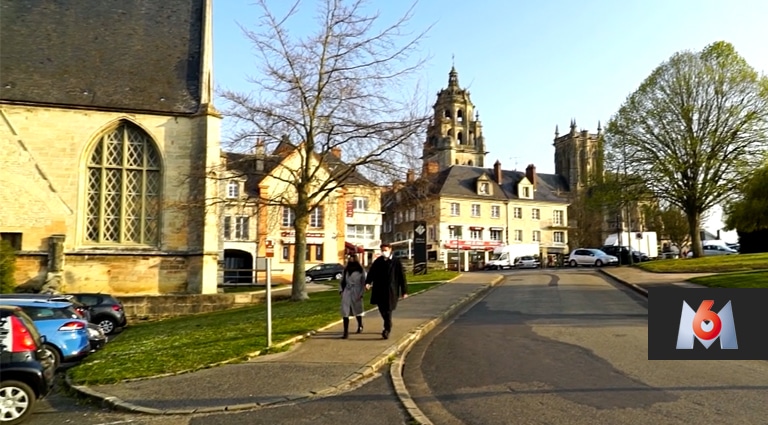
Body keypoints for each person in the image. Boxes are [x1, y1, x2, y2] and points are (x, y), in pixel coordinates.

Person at [365, 244, 407, 339]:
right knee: (381, 309)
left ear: (390, 250)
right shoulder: (378, 261)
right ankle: (387, 323)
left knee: (388, 310)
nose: (384, 252)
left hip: (391, 290)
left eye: (385, 250)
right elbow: (371, 272)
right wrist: (368, 282)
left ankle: (387, 329)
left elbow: (401, 277)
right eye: (382, 250)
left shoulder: (396, 262)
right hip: (379, 290)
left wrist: (404, 291)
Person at [339, 255, 366, 339]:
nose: (350, 259)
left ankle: (360, 325)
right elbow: (342, 280)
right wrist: (341, 290)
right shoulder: (346, 269)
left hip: (356, 291)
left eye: (352, 258)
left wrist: (361, 293)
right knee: (345, 311)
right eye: (349, 258)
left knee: (357, 310)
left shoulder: (361, 270)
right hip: (347, 291)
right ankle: (345, 332)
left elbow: (364, 282)